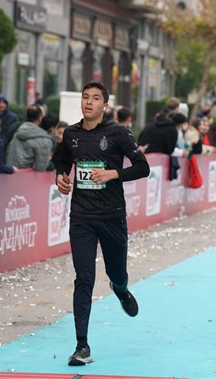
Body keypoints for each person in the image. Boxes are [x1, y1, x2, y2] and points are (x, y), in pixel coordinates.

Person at [54, 81, 149, 366]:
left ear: (105, 105)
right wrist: (60, 176)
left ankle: (120, 289)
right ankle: (81, 346)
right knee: (84, 279)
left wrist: (113, 174)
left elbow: (143, 167)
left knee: (116, 273)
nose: (89, 102)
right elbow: (61, 160)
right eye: (85, 97)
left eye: (96, 98)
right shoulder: (71, 134)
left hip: (111, 217)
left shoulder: (118, 133)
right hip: (81, 217)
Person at [6, 104, 55, 171]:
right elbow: (41, 167)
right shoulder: (44, 139)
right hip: (29, 176)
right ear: (40, 117)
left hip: (11, 172)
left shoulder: (17, 130)